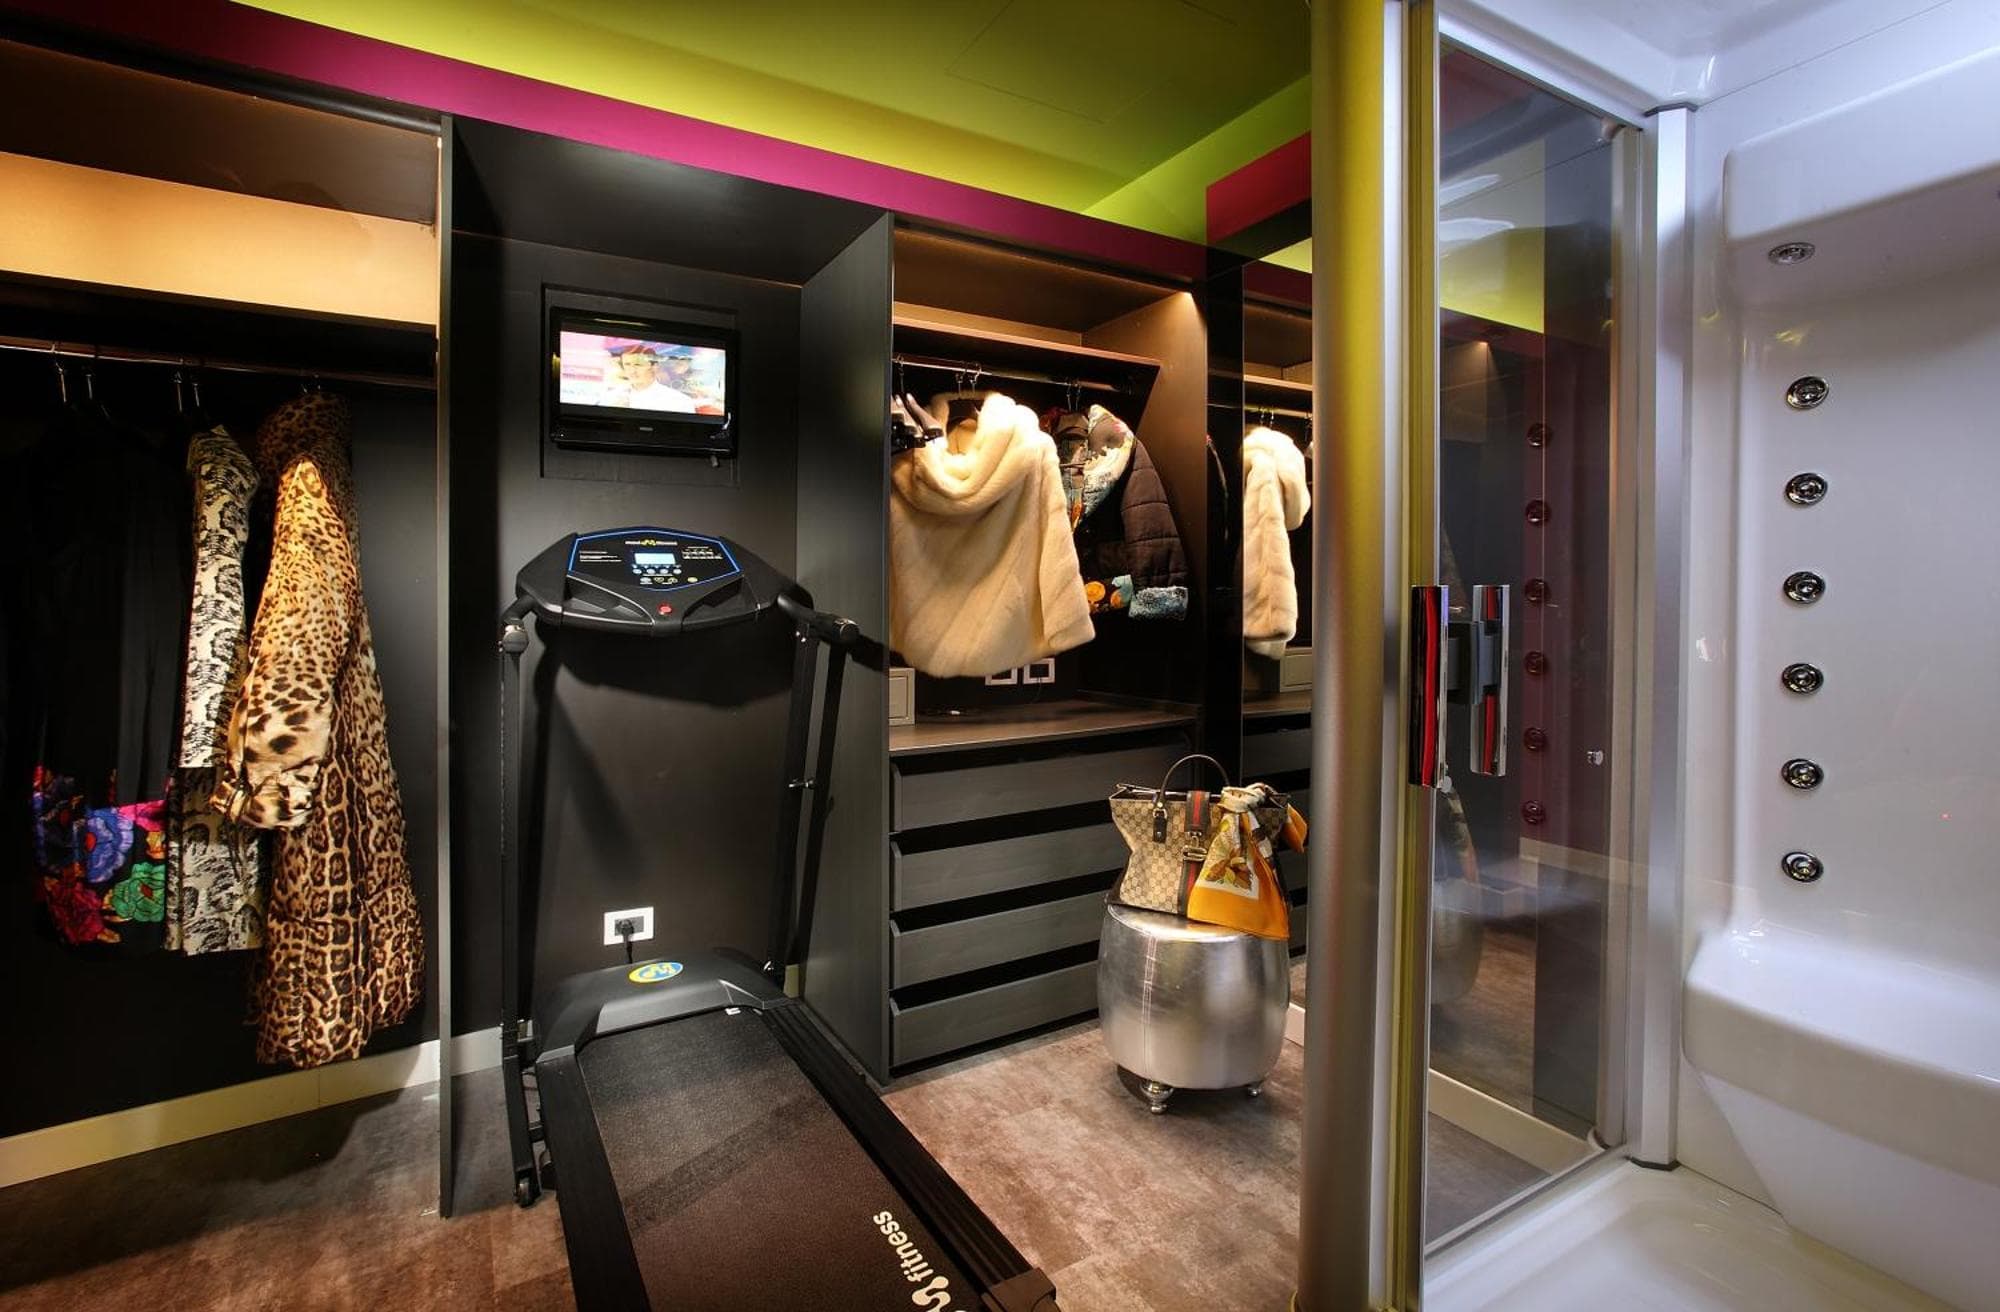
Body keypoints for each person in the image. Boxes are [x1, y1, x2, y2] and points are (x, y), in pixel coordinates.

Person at [596, 339, 696, 412]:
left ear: (654, 367)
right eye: (627, 364)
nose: (632, 371)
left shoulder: (679, 401)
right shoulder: (609, 397)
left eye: (638, 365)